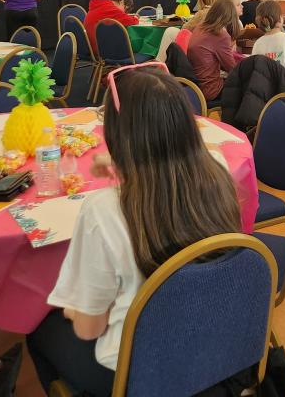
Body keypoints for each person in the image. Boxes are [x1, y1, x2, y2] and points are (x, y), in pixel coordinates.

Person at [27, 66, 242, 396]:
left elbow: (89, 329)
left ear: (117, 137)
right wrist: (119, 168)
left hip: (139, 370)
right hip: (217, 350)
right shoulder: (220, 173)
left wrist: (71, 308)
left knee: (38, 326)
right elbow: (179, 157)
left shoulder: (104, 210)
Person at [187, 0, 246, 105]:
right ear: (230, 17)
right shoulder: (220, 35)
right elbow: (232, 68)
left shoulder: (199, 28)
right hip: (211, 89)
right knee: (248, 87)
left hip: (195, 87)